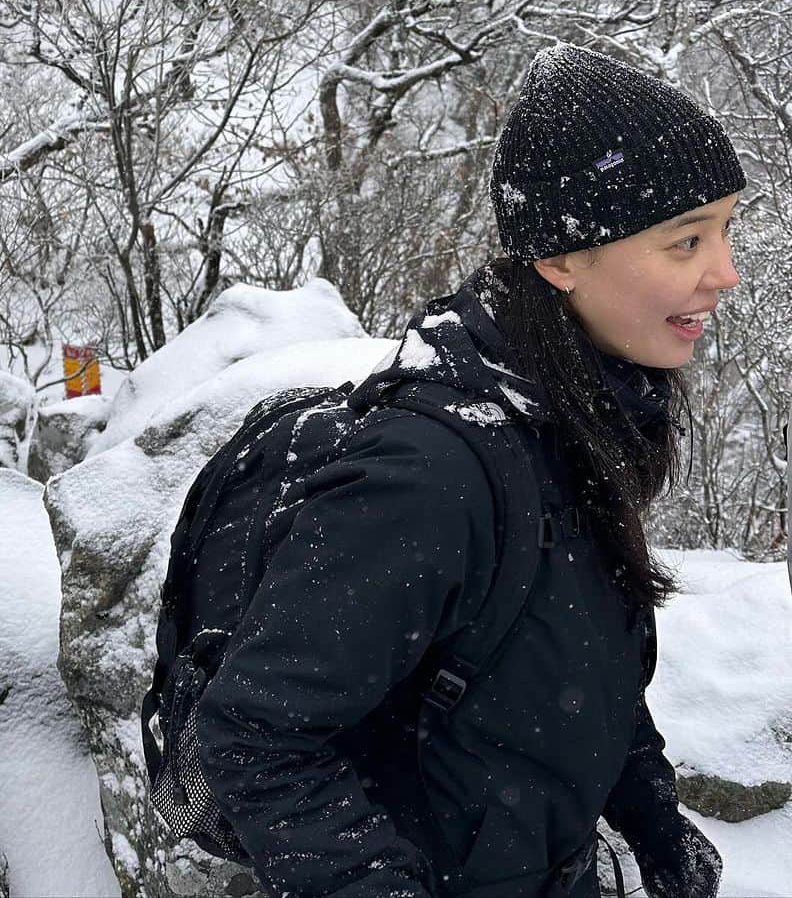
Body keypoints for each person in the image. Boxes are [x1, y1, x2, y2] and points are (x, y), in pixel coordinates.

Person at [195, 44, 738, 898]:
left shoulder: (574, 422)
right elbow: (258, 735)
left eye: (726, 229)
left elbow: (573, 668)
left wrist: (653, 822)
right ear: (560, 260)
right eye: (686, 242)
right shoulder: (430, 476)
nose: (726, 274)